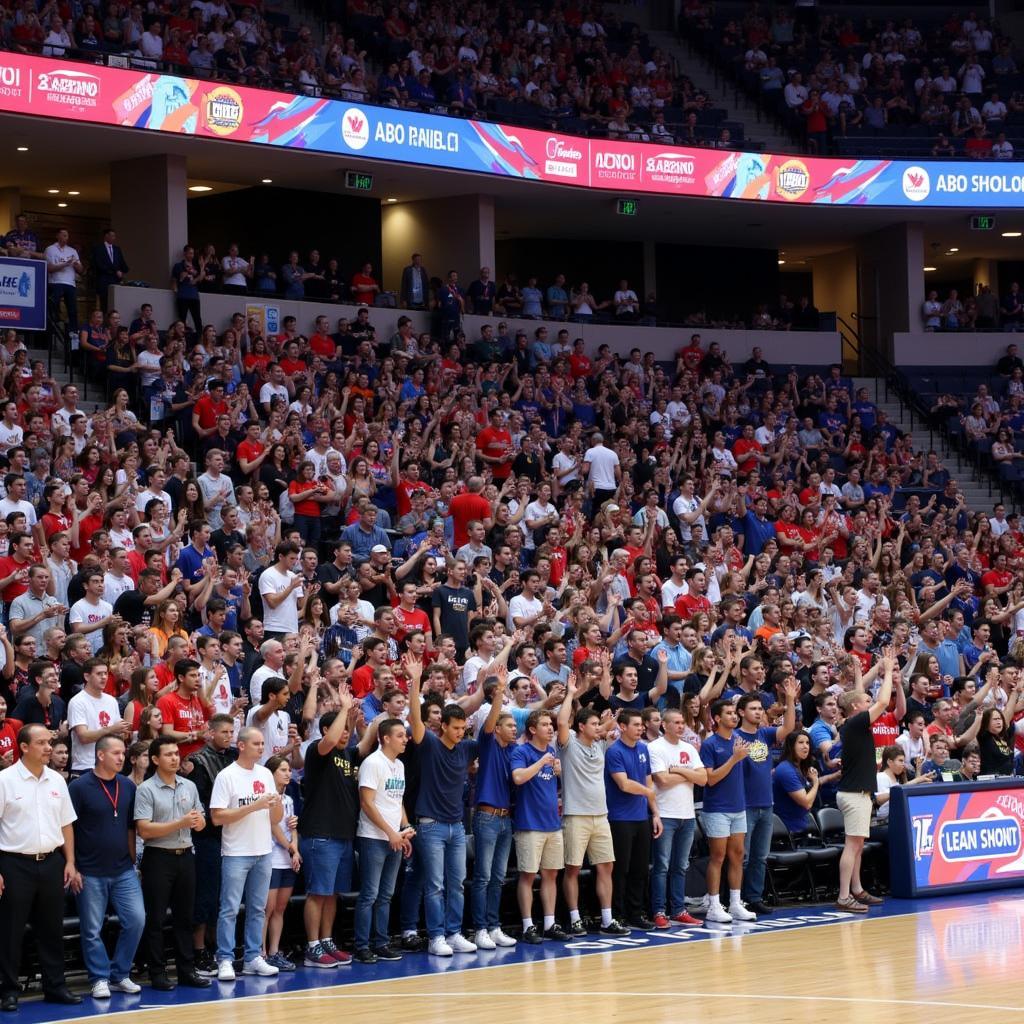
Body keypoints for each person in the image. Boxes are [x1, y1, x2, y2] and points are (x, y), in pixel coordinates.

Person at [0, 724, 82, 1010]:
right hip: (13, 864)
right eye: (43, 743)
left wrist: (70, 861)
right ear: (24, 747)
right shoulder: (5, 780)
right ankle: (8, 990)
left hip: (51, 863)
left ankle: (55, 986)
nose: (50, 747)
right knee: (10, 931)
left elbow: (66, 824)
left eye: (51, 742)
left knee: (51, 929)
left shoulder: (57, 781)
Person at [407, 656, 479, 956]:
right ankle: (436, 936)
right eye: (457, 727)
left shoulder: (466, 748)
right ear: (443, 727)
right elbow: (414, 720)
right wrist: (414, 682)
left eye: (464, 727)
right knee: (434, 884)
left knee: (457, 883)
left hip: (457, 826)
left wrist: (497, 694)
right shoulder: (430, 744)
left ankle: (453, 933)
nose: (461, 732)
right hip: (431, 825)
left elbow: (488, 731)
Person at [69, 734, 145, 999]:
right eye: (116, 753)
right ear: (100, 755)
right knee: (91, 929)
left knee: (136, 919)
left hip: (123, 869)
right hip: (89, 870)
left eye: (123, 753)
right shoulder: (79, 787)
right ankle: (99, 978)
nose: (121, 757)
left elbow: (130, 826)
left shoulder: (127, 786)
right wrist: (72, 865)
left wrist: (134, 860)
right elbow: (68, 828)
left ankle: (120, 974)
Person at [135, 735, 211, 991]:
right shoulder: (146, 789)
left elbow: (200, 819)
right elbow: (144, 830)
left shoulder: (189, 786)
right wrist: (180, 823)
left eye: (177, 753)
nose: (175, 758)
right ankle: (157, 972)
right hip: (158, 858)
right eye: (168, 754)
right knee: (156, 918)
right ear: (155, 759)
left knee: (185, 918)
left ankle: (186, 970)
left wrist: (200, 822)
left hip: (186, 855)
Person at [557, 673, 628, 935]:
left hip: (601, 816)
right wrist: (570, 694)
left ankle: (607, 919)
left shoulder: (600, 747)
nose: (599, 727)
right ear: (581, 727)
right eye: (594, 723)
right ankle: (575, 918)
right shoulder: (568, 745)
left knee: (605, 867)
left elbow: (609, 729)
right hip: (576, 815)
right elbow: (562, 720)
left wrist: (609, 723)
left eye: (600, 723)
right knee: (573, 869)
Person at [209, 726, 282, 980]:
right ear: (241, 745)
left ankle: (253, 957)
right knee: (229, 908)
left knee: (258, 908)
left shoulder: (265, 774)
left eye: (263, 744)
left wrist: (276, 805)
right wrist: (254, 806)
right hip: (236, 852)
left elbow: (276, 817)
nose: (261, 748)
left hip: (264, 850)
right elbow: (217, 817)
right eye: (256, 744)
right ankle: (225, 959)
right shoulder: (226, 776)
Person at [835, 648, 895, 913]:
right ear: (857, 708)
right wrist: (889, 671)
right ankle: (844, 895)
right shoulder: (855, 723)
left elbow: (858, 696)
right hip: (854, 794)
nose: (870, 701)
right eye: (865, 700)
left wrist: (861, 674)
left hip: (857, 793)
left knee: (857, 845)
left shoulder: (854, 723)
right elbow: (882, 703)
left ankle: (856, 890)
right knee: (853, 845)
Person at [353, 716, 414, 963]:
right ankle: (362, 945)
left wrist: (405, 828)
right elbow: (366, 803)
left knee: (386, 895)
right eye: (400, 735)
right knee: (369, 894)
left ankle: (381, 942)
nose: (405, 739)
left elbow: (396, 801)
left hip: (394, 838)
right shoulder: (372, 763)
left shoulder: (399, 765)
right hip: (373, 838)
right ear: (385, 738)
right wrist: (390, 833)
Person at [736, 682, 798, 915]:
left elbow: (788, 728)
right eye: (753, 709)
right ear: (741, 712)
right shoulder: (735, 736)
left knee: (760, 857)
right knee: (742, 856)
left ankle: (754, 897)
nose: (758, 712)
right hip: (744, 805)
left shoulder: (764, 733)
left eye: (760, 709)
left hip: (766, 804)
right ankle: (735, 898)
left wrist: (790, 700)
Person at [511, 709, 570, 943]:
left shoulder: (551, 751)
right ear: (533, 729)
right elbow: (518, 778)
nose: (550, 728)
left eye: (551, 724)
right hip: (529, 824)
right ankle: (527, 926)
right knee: (527, 876)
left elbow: (550, 787)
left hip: (552, 824)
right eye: (545, 724)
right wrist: (541, 762)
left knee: (551, 875)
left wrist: (557, 772)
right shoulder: (522, 751)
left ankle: (549, 923)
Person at [648, 707, 707, 927]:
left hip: (687, 815)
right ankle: (659, 911)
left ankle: (679, 910)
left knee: (680, 866)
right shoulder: (655, 748)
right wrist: (688, 774)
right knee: (662, 866)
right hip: (665, 815)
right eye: (676, 722)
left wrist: (678, 771)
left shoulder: (689, 748)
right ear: (664, 725)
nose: (681, 726)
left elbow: (703, 779)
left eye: (683, 722)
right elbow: (662, 780)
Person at [605, 708, 661, 930]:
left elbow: (648, 782)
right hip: (619, 819)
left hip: (641, 817)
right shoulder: (614, 751)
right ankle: (617, 915)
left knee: (639, 869)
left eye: (641, 725)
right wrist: (648, 793)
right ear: (622, 727)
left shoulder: (643, 749)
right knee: (621, 870)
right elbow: (624, 784)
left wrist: (655, 813)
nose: (641, 728)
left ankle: (636, 913)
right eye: (636, 725)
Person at [699, 698, 754, 923]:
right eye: (729, 713)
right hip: (717, 808)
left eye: (735, 713)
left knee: (737, 855)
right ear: (718, 718)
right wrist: (734, 758)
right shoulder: (710, 744)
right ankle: (713, 904)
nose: (734, 716)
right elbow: (710, 779)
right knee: (718, 856)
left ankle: (734, 903)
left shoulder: (739, 741)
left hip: (738, 807)